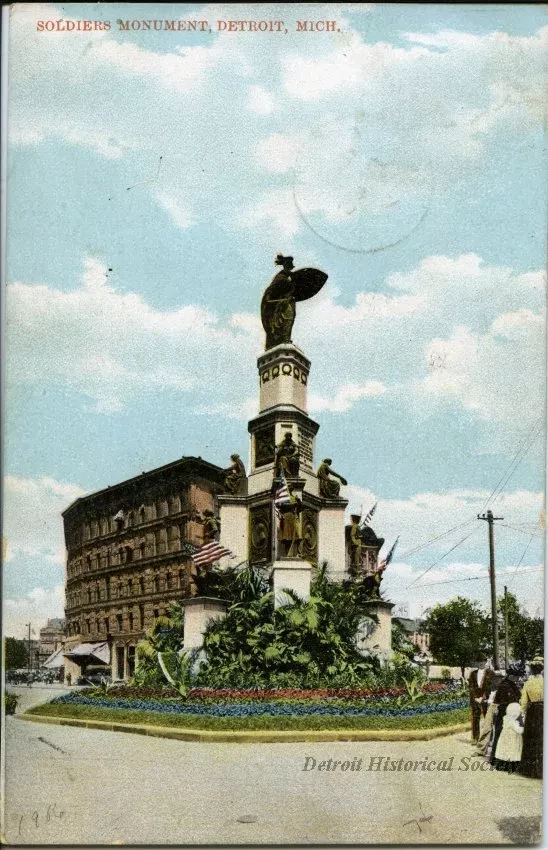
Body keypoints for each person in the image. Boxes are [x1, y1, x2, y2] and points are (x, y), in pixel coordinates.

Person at [487, 665, 522, 762]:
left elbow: (518, 696)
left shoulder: (512, 684)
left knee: (507, 735)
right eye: (516, 676)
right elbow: (501, 701)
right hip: (504, 713)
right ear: (511, 675)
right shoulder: (504, 685)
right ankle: (495, 759)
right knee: (500, 734)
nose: (518, 678)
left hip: (511, 712)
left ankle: (505, 758)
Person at [519, 655, 543, 778]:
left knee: (531, 738)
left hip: (533, 712)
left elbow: (523, 702)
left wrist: (521, 714)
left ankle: (530, 769)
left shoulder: (528, 683)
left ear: (533, 670)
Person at [468, 660, 495, 743]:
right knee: (475, 718)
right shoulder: (473, 674)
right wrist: (475, 697)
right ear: (476, 663)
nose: (480, 663)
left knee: (488, 718)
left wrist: (483, 697)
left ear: (485, 662)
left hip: (486, 698)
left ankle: (489, 739)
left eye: (482, 661)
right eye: (479, 662)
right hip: (475, 698)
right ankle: (475, 738)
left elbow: (490, 686)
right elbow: (470, 687)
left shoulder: (490, 673)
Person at [493, 702, 524, 772]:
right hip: (513, 740)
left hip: (504, 739)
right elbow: (519, 730)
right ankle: (512, 766)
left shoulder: (505, 718)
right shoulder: (513, 722)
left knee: (504, 752)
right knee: (512, 752)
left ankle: (501, 765)